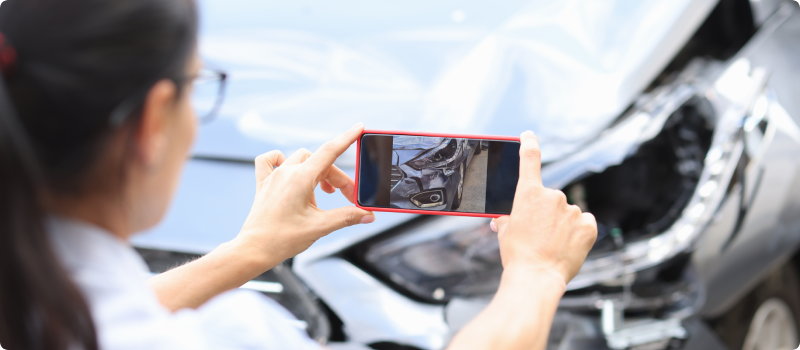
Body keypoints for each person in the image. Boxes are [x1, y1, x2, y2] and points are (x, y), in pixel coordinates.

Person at [0, 0, 597, 349]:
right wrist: (536, 273)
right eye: (197, 88)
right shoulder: (237, 337)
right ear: (152, 121)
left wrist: (248, 251)